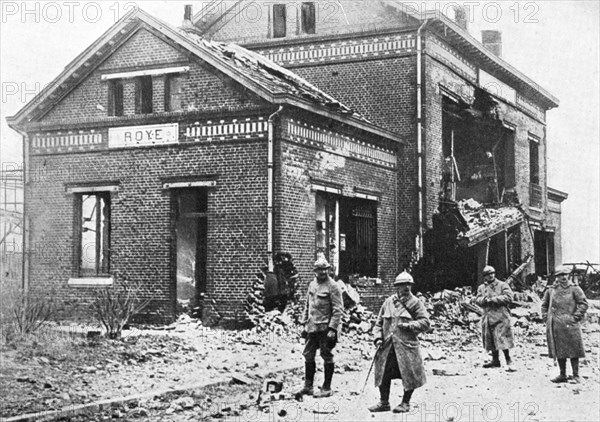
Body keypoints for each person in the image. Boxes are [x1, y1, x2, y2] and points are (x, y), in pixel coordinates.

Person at [369, 271, 430, 413]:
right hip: (388, 345)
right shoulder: (388, 302)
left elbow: (426, 322)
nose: (406, 287)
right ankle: (384, 402)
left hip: (407, 346)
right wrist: (377, 338)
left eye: (409, 284)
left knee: (409, 373)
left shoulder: (415, 303)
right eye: (403, 285)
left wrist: (410, 326)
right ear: (397, 286)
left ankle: (405, 402)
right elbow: (378, 324)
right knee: (383, 372)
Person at [297, 256, 343, 398]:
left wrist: (333, 329)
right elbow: (307, 305)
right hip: (312, 327)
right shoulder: (312, 285)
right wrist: (304, 323)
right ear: (315, 271)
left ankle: (326, 387)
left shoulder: (333, 286)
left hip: (325, 329)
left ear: (328, 270)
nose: (323, 272)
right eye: (320, 270)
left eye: (325, 269)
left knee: (326, 355)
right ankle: (308, 386)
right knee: (308, 354)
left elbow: (338, 309)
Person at [541, 265, 588, 383]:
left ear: (569, 276)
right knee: (559, 349)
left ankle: (576, 375)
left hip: (570, 324)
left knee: (574, 349)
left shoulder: (574, 289)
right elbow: (544, 305)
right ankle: (562, 374)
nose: (563, 277)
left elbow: (583, 303)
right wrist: (546, 317)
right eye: (560, 275)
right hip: (556, 325)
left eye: (565, 275)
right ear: (556, 277)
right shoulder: (551, 290)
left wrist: (575, 317)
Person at [474, 265, 515, 369]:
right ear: (485, 277)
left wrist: (493, 299)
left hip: (501, 316)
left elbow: (509, 297)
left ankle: (508, 359)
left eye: (492, 273)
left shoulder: (502, 285)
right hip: (488, 317)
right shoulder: (481, 288)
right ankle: (495, 360)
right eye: (488, 274)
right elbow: (477, 299)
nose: (491, 276)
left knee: (502, 338)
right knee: (490, 339)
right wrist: (484, 300)